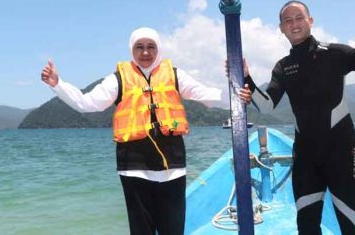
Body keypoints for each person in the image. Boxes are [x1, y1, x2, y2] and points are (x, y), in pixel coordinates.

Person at [40, 26, 251, 235]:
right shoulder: (118, 79)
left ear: (158, 49)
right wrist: (57, 84)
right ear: (131, 49)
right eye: (139, 47)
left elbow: (207, 95)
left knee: (173, 230)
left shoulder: (176, 75)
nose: (146, 52)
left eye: (151, 46)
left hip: (172, 166)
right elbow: (87, 103)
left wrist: (237, 91)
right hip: (134, 167)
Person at [243, 0, 355, 235]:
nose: (294, 24)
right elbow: (267, 105)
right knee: (307, 225)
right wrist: (246, 78)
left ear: (310, 21)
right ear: (281, 28)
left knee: (349, 221)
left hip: (340, 151)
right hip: (306, 157)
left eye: (299, 17)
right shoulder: (283, 67)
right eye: (288, 20)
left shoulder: (335, 54)